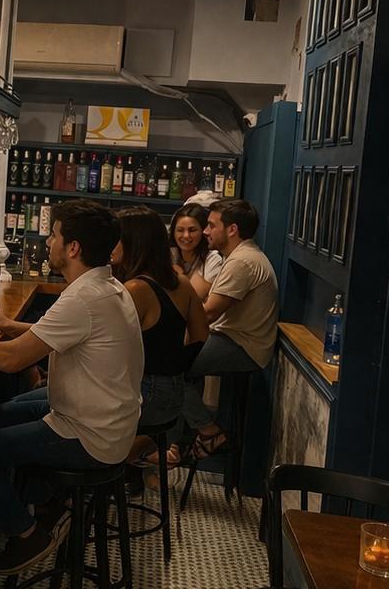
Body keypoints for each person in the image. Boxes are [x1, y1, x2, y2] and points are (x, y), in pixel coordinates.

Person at [0, 199, 144, 574]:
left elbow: (10, 361)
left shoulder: (82, 298)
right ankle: (47, 502)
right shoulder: (107, 286)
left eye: (53, 234)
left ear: (73, 248)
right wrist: (16, 327)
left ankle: (27, 533)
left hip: (90, 435)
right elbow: (73, 334)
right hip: (109, 419)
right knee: (1, 413)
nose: (47, 241)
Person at [114, 206, 209, 480]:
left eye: (116, 237)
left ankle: (121, 462)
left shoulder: (136, 289)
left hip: (146, 397)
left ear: (134, 242)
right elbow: (202, 334)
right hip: (172, 394)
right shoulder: (181, 282)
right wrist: (174, 366)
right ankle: (134, 458)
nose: (110, 243)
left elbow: (105, 343)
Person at [181, 198, 278, 459]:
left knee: (170, 369)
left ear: (232, 229)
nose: (205, 231)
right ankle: (188, 438)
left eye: (211, 225)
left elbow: (210, 312)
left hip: (242, 345)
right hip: (233, 338)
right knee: (176, 365)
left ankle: (209, 433)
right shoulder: (238, 257)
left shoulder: (242, 262)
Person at [170, 202, 224, 301]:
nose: (186, 236)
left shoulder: (213, 260)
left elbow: (190, 300)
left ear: (204, 231)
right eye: (180, 230)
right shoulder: (168, 256)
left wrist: (180, 276)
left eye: (192, 230)